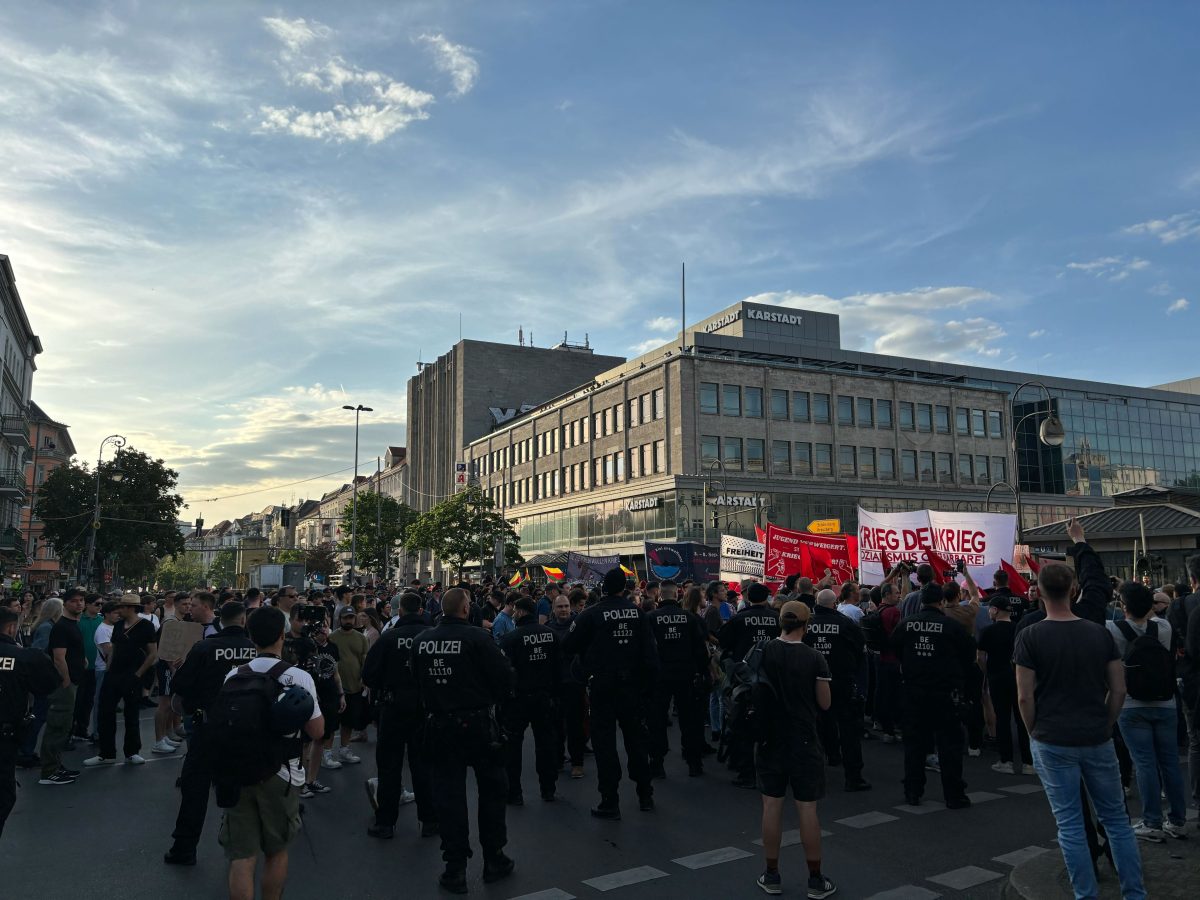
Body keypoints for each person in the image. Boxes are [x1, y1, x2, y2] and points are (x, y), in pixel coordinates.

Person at [1014, 526, 1146, 900]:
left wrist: (1033, 731)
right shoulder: (1098, 632)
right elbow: (1118, 689)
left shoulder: (1030, 635)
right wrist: (1105, 723)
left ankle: (1086, 894)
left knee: (1070, 824)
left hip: (1052, 738)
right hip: (1096, 736)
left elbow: (1024, 697)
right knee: (1117, 821)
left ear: (1039, 592)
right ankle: (1134, 893)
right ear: (1074, 591)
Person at [412, 587, 515, 893]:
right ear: (466, 608)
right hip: (479, 724)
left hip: (440, 725)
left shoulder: (421, 642)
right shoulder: (478, 638)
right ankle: (494, 857)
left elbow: (416, 681)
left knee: (448, 798)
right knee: (493, 792)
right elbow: (504, 678)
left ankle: (454, 867)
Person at [218, 606, 323, 900]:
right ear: (282, 635)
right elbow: (316, 731)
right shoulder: (298, 677)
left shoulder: (233, 675)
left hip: (238, 769)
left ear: (250, 637)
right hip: (281, 771)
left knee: (241, 854)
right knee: (276, 851)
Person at [164, 601, 257, 865]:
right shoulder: (255, 649)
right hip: (244, 729)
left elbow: (181, 685)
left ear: (221, 619)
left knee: (195, 789)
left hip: (207, 726)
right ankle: (240, 846)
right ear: (243, 621)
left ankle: (184, 847)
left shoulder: (204, 647)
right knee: (242, 787)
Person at [563, 567, 660, 819]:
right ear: (623, 588)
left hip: (602, 686)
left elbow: (568, 644)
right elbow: (650, 655)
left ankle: (610, 799)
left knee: (604, 743)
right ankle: (645, 794)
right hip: (632, 687)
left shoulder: (591, 614)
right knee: (636, 740)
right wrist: (648, 689)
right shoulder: (638, 614)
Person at [755, 601, 837, 899]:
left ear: (780, 621)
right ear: (807, 624)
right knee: (807, 809)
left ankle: (772, 873)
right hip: (803, 738)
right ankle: (815, 879)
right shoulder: (815, 657)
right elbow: (825, 704)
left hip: (770, 738)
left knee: (771, 806)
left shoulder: (764, 652)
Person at [1107, 581, 1188, 841]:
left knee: (1144, 763)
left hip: (1131, 704)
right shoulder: (1163, 628)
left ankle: (1151, 821)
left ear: (1123, 606)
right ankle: (1177, 819)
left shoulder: (1112, 629)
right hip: (1165, 702)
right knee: (1170, 762)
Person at [890, 583, 975, 808]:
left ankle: (912, 791)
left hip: (914, 692)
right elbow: (968, 656)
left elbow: (895, 649)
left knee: (914, 745)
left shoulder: (906, 625)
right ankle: (954, 795)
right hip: (945, 693)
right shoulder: (951, 626)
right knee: (950, 746)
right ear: (942, 602)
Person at [362, 591, 436, 839]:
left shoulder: (389, 638)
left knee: (390, 766)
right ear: (422, 611)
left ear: (400, 611)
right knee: (424, 764)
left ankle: (386, 823)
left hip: (393, 708)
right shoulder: (432, 638)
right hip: (425, 708)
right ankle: (429, 821)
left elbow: (369, 674)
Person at [0, 607, 58, 836]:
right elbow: (48, 685)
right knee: (4, 795)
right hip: (5, 738)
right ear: (12, 627)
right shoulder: (25, 656)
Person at [805, 588, 869, 792]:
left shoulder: (808, 623)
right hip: (841, 680)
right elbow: (860, 649)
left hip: (812, 681)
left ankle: (820, 766)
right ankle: (853, 776)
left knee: (817, 724)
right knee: (848, 728)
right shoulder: (845, 623)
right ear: (834, 604)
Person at [498, 597, 561, 803]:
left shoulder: (511, 639)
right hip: (546, 697)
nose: (514, 614)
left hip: (518, 699)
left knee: (513, 746)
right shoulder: (551, 635)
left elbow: (505, 672)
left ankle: (514, 792)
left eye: (516, 610)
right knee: (546, 744)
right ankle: (548, 789)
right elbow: (559, 668)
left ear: (521, 612)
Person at [646, 579, 710, 778]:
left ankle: (657, 762)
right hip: (687, 675)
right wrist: (703, 672)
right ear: (677, 594)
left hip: (659, 677)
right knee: (689, 720)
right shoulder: (689, 618)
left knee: (656, 720)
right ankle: (694, 763)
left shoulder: (650, 618)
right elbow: (701, 650)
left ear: (659, 595)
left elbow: (646, 650)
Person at [86, 594, 158, 767]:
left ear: (131, 608)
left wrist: (138, 674)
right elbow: (114, 649)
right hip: (114, 675)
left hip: (132, 675)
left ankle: (132, 752)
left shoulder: (146, 626)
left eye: (122, 607)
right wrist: (109, 669)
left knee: (131, 714)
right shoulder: (118, 625)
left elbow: (153, 654)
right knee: (105, 713)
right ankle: (106, 752)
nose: (118, 610)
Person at [977, 596, 1032, 774]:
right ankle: (1028, 763)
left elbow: (980, 657)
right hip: (1017, 676)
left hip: (997, 677)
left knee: (1002, 718)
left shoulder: (987, 631)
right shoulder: (1019, 629)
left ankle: (1006, 761)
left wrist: (987, 672)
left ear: (995, 610)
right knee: (1021, 719)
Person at [38, 588, 86, 786]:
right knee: (58, 726)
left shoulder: (73, 625)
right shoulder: (62, 627)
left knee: (64, 726)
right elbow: (58, 658)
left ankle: (56, 766)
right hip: (63, 684)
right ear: (65, 604)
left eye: (81, 600)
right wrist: (65, 680)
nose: (79, 604)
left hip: (73, 680)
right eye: (74, 601)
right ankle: (49, 772)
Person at [546, 589, 586, 780]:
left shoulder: (578, 626)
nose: (563, 610)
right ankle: (558, 758)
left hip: (574, 682)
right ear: (553, 609)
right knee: (555, 725)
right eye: (560, 606)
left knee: (575, 724)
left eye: (566, 606)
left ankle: (577, 762)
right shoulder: (547, 628)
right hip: (554, 682)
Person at [328, 606, 368, 766]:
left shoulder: (361, 638)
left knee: (349, 722)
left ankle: (344, 750)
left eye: (351, 617)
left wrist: (363, 678)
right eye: (345, 618)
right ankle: (327, 753)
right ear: (340, 619)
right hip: (335, 688)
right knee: (331, 724)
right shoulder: (332, 637)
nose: (348, 620)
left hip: (354, 687)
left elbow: (365, 659)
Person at [73, 593, 103, 740]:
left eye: (101, 604)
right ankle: (71, 729)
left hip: (95, 667)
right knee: (77, 699)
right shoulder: (78, 620)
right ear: (88, 605)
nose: (100, 607)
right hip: (80, 666)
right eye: (97, 604)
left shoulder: (102, 620)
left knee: (89, 700)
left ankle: (82, 728)